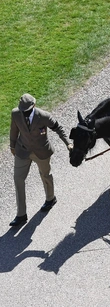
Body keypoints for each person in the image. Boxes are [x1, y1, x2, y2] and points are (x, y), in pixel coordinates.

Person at [9, 93, 73, 227]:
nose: (24, 114)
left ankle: (50, 198)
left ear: (34, 106)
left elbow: (58, 128)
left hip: (42, 152)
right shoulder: (15, 114)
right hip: (23, 151)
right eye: (22, 111)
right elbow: (14, 131)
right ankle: (21, 215)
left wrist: (68, 143)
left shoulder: (44, 116)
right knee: (18, 179)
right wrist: (12, 146)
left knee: (45, 175)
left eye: (26, 111)